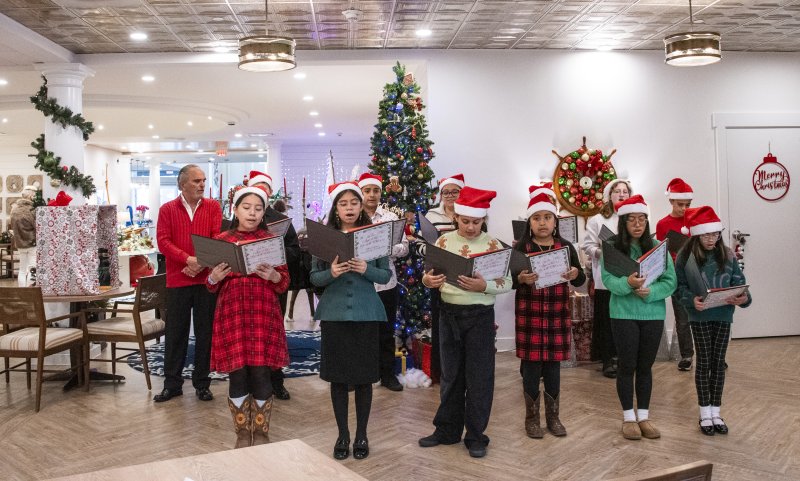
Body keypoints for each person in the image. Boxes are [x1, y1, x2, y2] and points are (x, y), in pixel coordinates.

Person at [419, 186, 511, 458]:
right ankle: (446, 430)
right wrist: (428, 281)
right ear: (457, 217)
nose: (471, 227)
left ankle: (475, 435)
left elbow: (507, 282)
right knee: (450, 376)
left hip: (480, 319)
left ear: (483, 220)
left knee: (479, 378)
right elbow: (429, 273)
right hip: (448, 316)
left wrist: (485, 285)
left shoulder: (494, 245)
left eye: (476, 221)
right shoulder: (444, 242)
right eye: (466, 220)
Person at [310, 181, 392, 461]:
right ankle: (343, 434)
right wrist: (331, 272)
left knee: (364, 378)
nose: (349, 208)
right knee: (338, 379)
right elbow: (314, 278)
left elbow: (385, 276)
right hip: (334, 316)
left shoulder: (375, 236)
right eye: (343, 204)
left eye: (354, 203)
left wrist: (366, 268)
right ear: (335, 208)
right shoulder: (323, 238)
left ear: (361, 206)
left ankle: (362, 434)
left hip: (366, 314)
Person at [206, 186, 290, 448]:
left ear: (264, 212)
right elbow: (209, 285)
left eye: (257, 209)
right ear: (235, 209)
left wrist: (274, 276)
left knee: (261, 373)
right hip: (232, 313)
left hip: (263, 312)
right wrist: (214, 278)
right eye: (246, 208)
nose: (252, 213)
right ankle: (242, 432)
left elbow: (284, 282)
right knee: (237, 373)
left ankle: (262, 431)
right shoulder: (221, 240)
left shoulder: (271, 241)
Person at [600, 195, 676, 441]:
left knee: (645, 367)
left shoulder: (657, 247)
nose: (637, 224)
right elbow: (608, 280)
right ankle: (628, 418)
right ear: (623, 222)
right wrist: (628, 283)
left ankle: (643, 416)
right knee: (626, 365)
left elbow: (670, 282)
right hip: (623, 314)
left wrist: (651, 292)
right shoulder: (612, 248)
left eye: (642, 218)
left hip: (652, 313)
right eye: (631, 219)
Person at [674, 206, 751, 436]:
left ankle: (716, 412)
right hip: (700, 316)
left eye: (715, 234)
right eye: (706, 235)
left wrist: (743, 298)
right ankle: (704, 413)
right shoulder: (685, 257)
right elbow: (678, 288)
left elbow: (740, 282)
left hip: (723, 315)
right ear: (697, 234)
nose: (711, 239)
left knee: (719, 363)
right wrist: (690, 300)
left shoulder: (727, 255)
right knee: (704, 361)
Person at [514, 193, 585, 438]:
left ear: (555, 221)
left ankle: (554, 418)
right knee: (532, 368)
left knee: (553, 368)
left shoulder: (566, 246)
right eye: (537, 218)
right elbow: (510, 280)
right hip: (530, 314)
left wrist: (575, 273)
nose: (542, 222)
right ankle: (532, 419)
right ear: (529, 222)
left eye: (547, 217)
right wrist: (520, 279)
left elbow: (582, 278)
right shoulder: (521, 248)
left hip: (556, 313)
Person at [154, 164, 221, 403]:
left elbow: (216, 238)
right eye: (196, 181)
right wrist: (187, 259)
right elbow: (163, 241)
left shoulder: (213, 207)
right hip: (177, 280)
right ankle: (172, 384)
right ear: (182, 185)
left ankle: (202, 384)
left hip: (206, 280)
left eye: (203, 180)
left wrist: (200, 263)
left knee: (205, 334)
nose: (202, 184)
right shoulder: (167, 209)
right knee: (175, 334)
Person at [247, 170, 301, 400]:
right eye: (257, 186)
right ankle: (249, 381)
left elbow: (294, 251)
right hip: (246, 288)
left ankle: (276, 381)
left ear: (269, 192)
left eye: (265, 187)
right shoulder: (237, 219)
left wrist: (273, 252)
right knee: (249, 335)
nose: (262, 190)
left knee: (274, 335)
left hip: (273, 284)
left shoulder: (280, 220)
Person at [358, 173, 409, 392]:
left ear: (381, 192)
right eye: (367, 190)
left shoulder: (390, 218)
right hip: (359, 283)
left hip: (386, 283)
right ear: (361, 193)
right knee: (360, 331)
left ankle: (387, 374)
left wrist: (385, 248)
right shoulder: (353, 217)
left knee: (386, 331)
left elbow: (404, 247)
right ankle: (360, 376)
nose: (371, 195)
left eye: (375, 190)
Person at [581, 179, 633, 378]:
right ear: (609, 195)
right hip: (606, 277)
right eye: (617, 191)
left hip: (628, 275)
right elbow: (588, 245)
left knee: (625, 319)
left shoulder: (632, 217)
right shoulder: (597, 220)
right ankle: (608, 360)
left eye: (625, 191)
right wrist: (602, 253)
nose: (621, 194)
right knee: (606, 319)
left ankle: (624, 357)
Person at [424, 173, 464, 383]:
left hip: (463, 275)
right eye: (445, 192)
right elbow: (424, 245)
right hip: (439, 275)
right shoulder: (432, 216)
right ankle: (440, 371)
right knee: (441, 324)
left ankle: (461, 369)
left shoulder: (469, 213)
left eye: (454, 191)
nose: (449, 196)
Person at [656, 178, 695, 371]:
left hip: (697, 274)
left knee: (705, 316)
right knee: (682, 317)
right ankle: (686, 355)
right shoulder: (663, 224)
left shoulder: (695, 219)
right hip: (677, 275)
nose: (684, 209)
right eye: (680, 204)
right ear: (671, 201)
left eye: (688, 205)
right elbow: (661, 252)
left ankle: (712, 354)